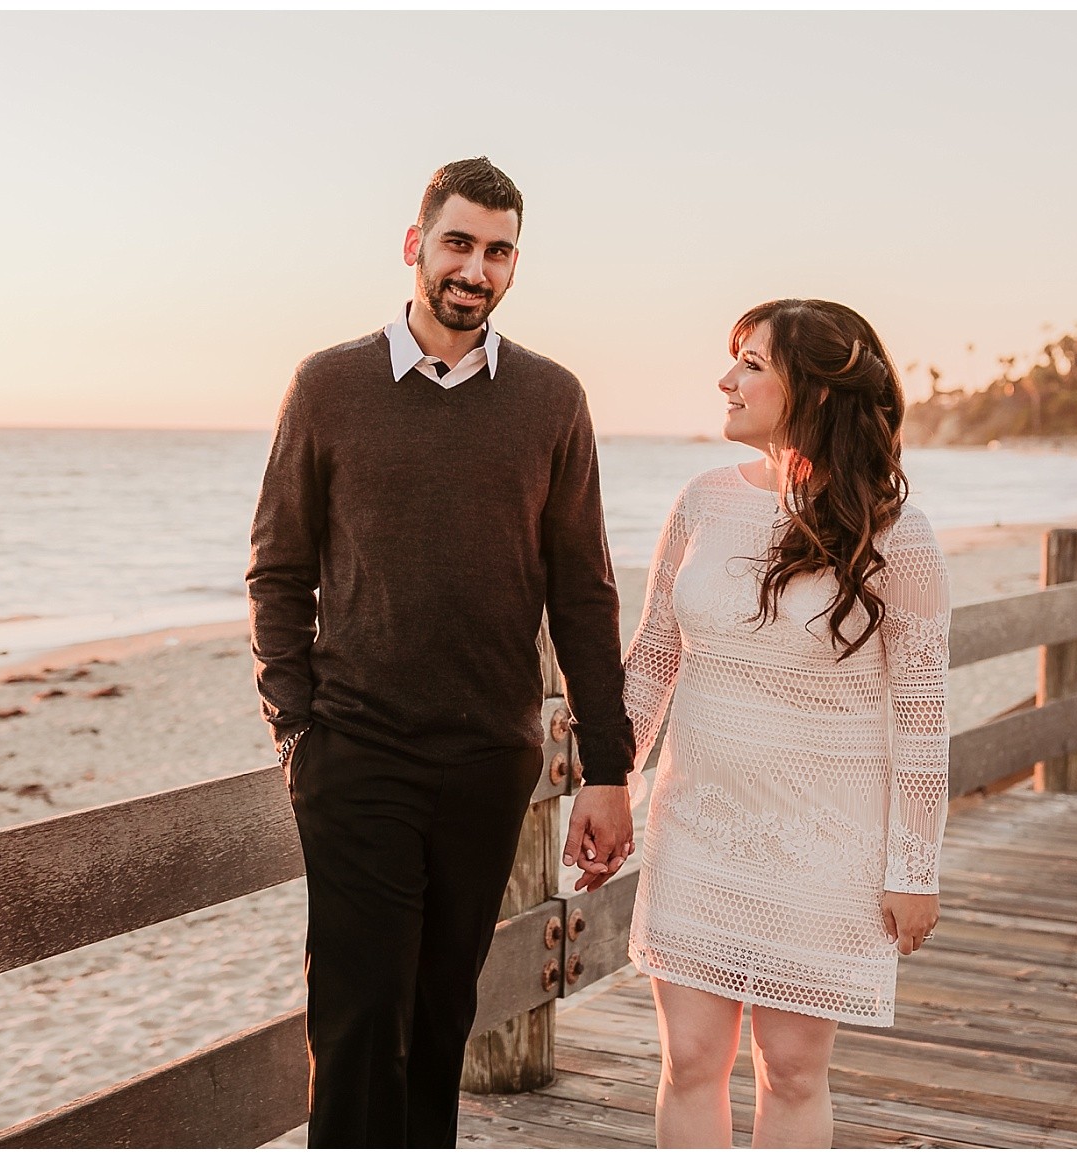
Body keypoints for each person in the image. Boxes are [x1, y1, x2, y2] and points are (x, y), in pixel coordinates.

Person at [247, 157, 640, 1148]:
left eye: (499, 251)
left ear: (514, 265)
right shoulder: (329, 385)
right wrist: (296, 728)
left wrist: (606, 767)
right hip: (358, 751)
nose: (477, 268)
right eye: (459, 243)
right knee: (357, 1013)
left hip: (488, 759)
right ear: (416, 245)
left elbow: (584, 590)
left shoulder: (551, 398)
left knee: (441, 1014)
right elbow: (278, 569)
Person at [610, 299, 950, 1148]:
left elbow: (922, 716)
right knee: (690, 1059)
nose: (727, 380)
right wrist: (609, 782)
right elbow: (653, 661)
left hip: (825, 843)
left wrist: (915, 867)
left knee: (791, 1071)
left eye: (753, 364)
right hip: (697, 825)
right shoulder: (701, 502)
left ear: (816, 389)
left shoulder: (897, 537)